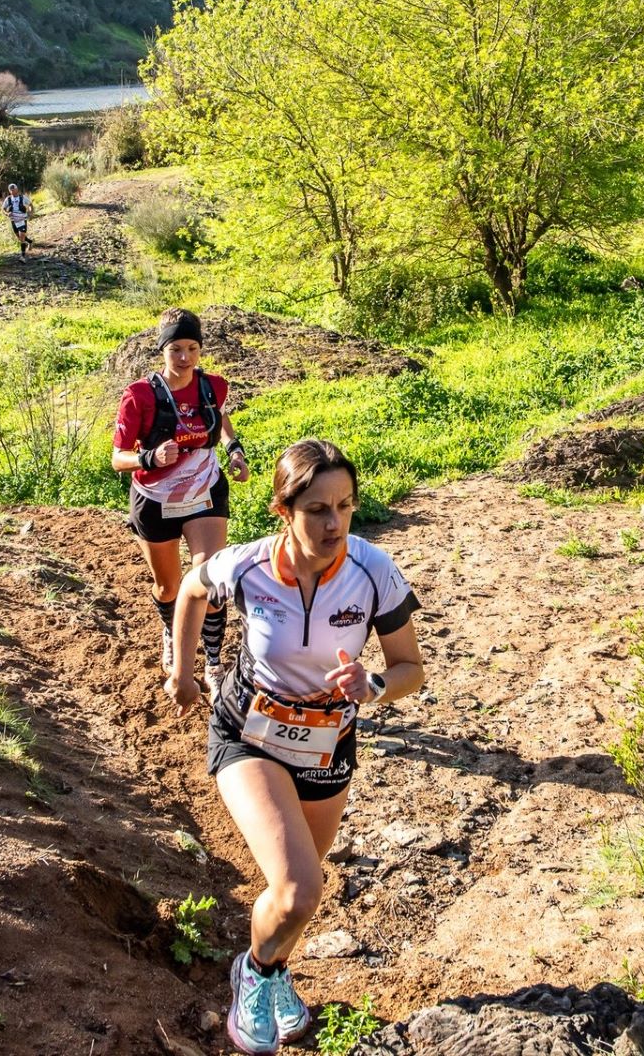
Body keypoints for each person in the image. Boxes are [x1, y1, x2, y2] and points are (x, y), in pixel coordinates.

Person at [166, 439, 425, 1055]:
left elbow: (410, 666)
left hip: (328, 742)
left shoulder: (373, 571)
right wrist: (180, 672)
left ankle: (276, 971)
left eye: (345, 506)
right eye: (316, 509)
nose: (334, 523)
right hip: (248, 729)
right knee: (299, 888)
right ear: (284, 510)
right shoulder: (249, 565)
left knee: (300, 891)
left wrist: (376, 685)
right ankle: (253, 975)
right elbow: (190, 592)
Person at [110, 307, 249, 691]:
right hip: (155, 499)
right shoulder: (139, 396)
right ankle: (170, 633)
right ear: (163, 350)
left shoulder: (212, 386)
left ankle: (214, 662)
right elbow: (116, 457)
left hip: (204, 490)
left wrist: (235, 450)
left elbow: (218, 418)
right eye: (176, 349)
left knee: (211, 579)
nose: (185, 358)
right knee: (169, 587)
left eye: (192, 348)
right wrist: (149, 457)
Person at [1, 184, 35, 258]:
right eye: (11, 190)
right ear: (9, 191)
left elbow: (30, 205)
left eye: (14, 189)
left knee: (22, 237)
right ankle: (30, 242)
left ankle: (22, 256)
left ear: (17, 189)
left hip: (22, 219)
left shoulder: (23, 197)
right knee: (19, 237)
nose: (13, 191)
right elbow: (3, 209)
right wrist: (7, 213)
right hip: (13, 220)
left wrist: (30, 212)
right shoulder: (8, 199)